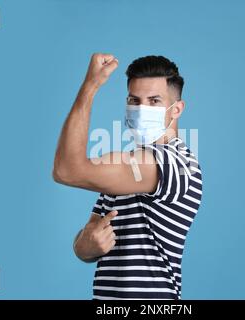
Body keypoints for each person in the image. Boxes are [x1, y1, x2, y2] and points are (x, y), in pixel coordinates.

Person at [53, 53, 202, 299]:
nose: (142, 109)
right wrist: (86, 246)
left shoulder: (176, 163)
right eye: (135, 100)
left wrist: (90, 86)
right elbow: (85, 244)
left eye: (154, 101)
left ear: (176, 109)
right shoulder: (124, 173)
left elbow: (67, 170)